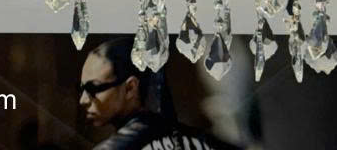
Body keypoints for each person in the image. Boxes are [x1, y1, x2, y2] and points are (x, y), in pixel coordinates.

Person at [79, 37, 227, 150]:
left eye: (93, 88)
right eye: (82, 90)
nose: (83, 100)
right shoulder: (202, 140)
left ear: (130, 88)